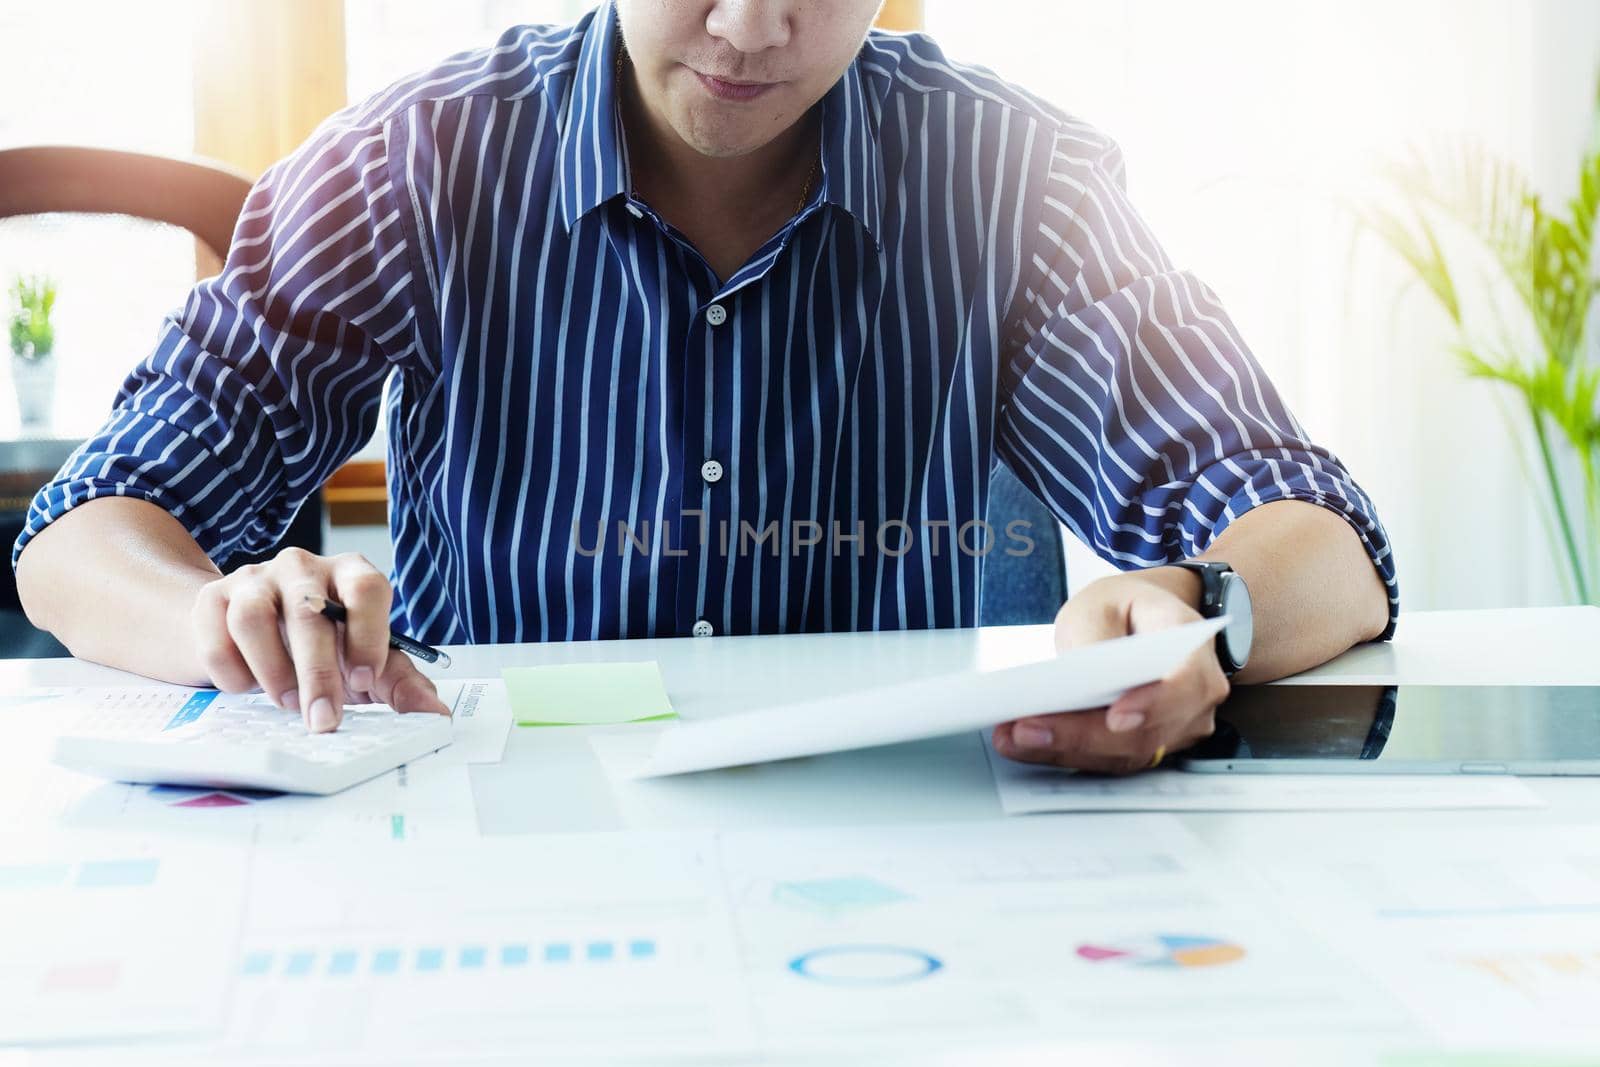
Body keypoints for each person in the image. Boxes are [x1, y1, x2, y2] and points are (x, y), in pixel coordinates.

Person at [12, 0, 1395, 774]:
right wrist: (222, 617)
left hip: (899, 847)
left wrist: (1198, 619)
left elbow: (1322, 542)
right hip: (481, 830)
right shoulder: (414, 158)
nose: (748, 27)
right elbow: (83, 536)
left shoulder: (1009, 177)